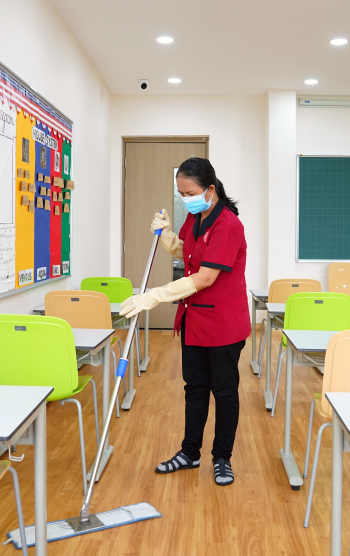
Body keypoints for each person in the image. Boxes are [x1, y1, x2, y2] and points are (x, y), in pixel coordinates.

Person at [120, 158, 249, 486]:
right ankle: (190, 452)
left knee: (224, 392)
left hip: (223, 324)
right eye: (181, 193)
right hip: (194, 319)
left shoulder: (229, 225)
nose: (185, 199)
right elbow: (190, 255)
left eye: (190, 193)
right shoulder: (195, 218)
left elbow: (205, 277)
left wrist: (155, 295)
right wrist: (168, 238)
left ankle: (222, 458)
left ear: (210, 189)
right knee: (195, 389)